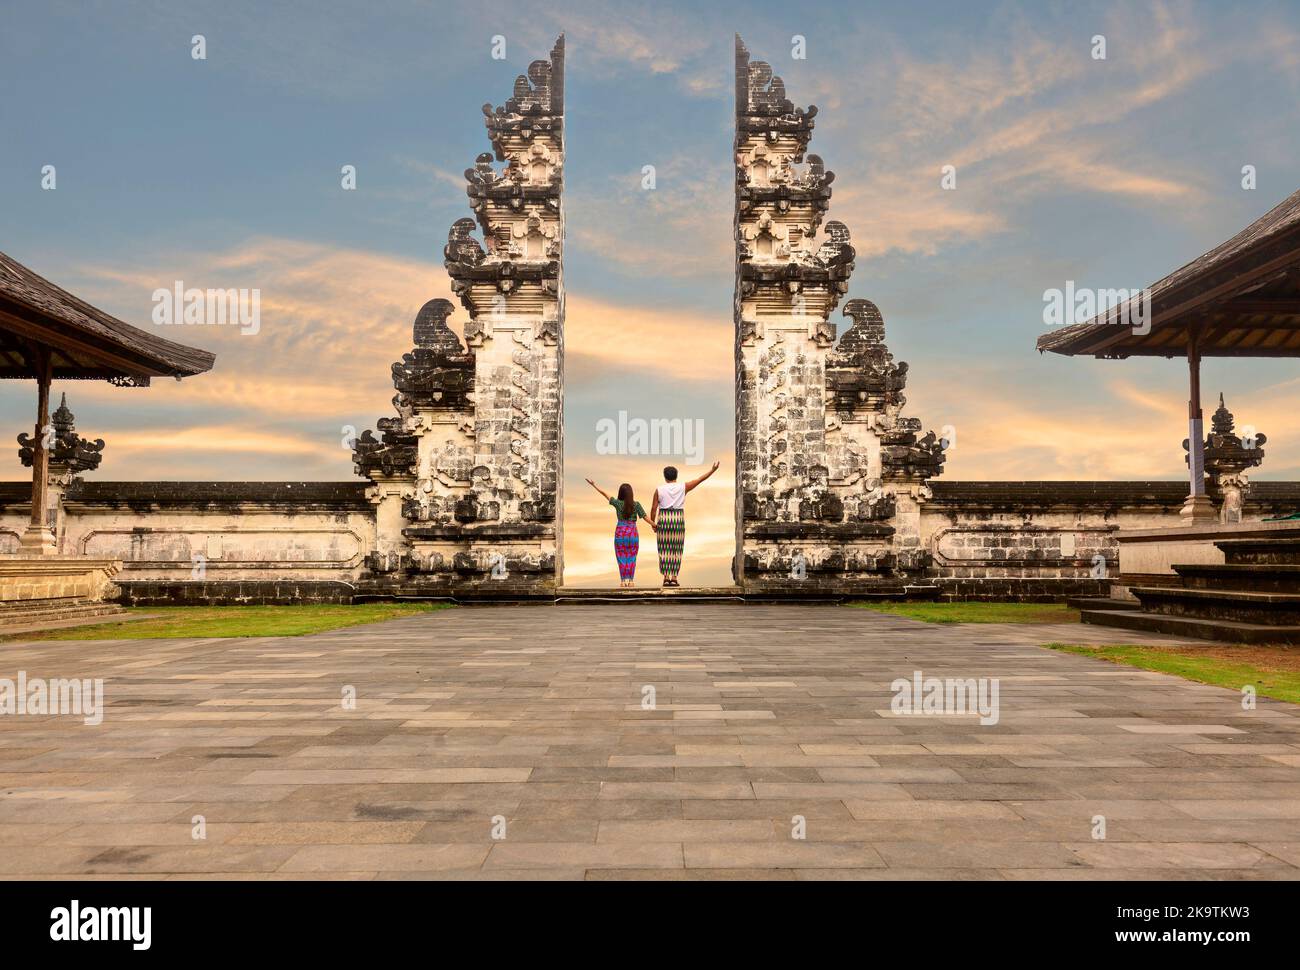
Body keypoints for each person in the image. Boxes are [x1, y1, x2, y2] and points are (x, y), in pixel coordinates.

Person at [649, 461, 720, 588]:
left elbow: (654, 508)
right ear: (676, 476)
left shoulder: (659, 489)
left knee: (664, 548)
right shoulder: (683, 487)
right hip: (678, 518)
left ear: (665, 477)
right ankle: (674, 578)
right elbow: (699, 479)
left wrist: (653, 524)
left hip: (664, 518)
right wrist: (712, 470)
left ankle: (666, 577)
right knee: (677, 547)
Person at [585, 478, 654, 587]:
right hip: (632, 533)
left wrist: (594, 485)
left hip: (620, 533)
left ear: (620, 493)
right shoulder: (636, 505)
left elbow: (605, 494)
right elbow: (645, 517)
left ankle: (623, 581)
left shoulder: (617, 503)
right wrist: (655, 525)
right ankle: (631, 581)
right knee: (632, 557)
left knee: (621, 556)